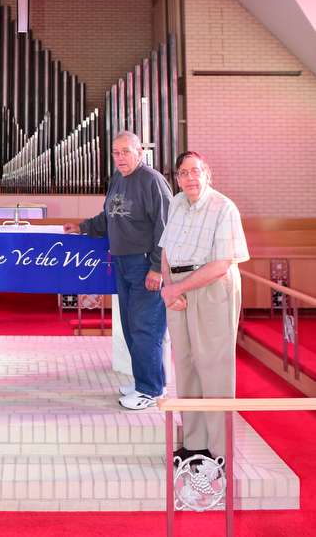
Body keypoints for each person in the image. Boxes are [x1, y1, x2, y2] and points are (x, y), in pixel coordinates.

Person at [64, 131, 172, 409]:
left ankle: (151, 390)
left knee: (145, 329)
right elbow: (109, 216)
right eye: (115, 153)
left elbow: (167, 227)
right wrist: (84, 227)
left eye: (125, 151)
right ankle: (144, 382)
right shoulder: (117, 179)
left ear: (139, 152)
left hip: (145, 264)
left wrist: (157, 268)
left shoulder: (152, 181)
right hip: (122, 263)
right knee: (131, 327)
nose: (120, 157)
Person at [160, 151, 249, 462]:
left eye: (195, 171)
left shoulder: (224, 207)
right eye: (183, 173)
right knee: (185, 367)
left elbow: (222, 263)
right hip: (179, 291)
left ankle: (219, 451)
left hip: (212, 289)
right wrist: (169, 289)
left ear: (207, 174)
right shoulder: (176, 203)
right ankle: (195, 443)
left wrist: (178, 288)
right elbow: (167, 249)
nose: (189, 178)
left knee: (214, 369)